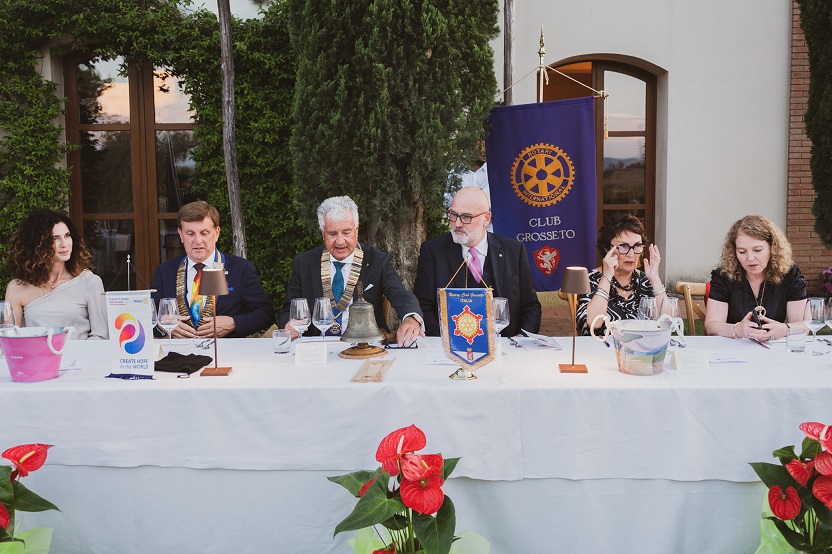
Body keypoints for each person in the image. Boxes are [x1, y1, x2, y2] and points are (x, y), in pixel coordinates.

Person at [278, 196, 425, 346]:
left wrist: (411, 318)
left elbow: (400, 294)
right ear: (323, 234)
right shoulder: (304, 263)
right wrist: (288, 325)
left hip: (365, 347)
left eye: (346, 232)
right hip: (317, 346)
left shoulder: (377, 261)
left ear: (356, 230)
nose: (340, 241)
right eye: (332, 234)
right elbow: (288, 309)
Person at [414, 186, 541, 337]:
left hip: (505, 344)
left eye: (466, 217)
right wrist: (444, 342)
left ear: (486, 218)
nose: (457, 223)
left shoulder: (513, 251)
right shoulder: (433, 251)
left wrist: (520, 339)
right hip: (450, 345)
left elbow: (531, 306)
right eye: (453, 215)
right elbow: (423, 305)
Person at [151, 201, 274, 338]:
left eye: (204, 233)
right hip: (179, 350)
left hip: (226, 350)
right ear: (180, 234)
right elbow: (148, 317)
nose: (198, 241)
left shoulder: (241, 269)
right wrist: (162, 326)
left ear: (216, 233)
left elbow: (266, 313)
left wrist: (233, 323)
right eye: (190, 234)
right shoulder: (165, 271)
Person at [5, 209, 108, 339]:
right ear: (38, 244)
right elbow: (9, 339)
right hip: (35, 352)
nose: (64, 244)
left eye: (67, 235)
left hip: (80, 352)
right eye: (55, 238)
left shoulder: (90, 282)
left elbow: (101, 336)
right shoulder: (17, 288)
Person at [705, 214, 807, 341]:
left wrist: (784, 329)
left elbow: (803, 325)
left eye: (757, 250)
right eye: (742, 251)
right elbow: (711, 325)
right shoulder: (724, 276)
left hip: (775, 350)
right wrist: (736, 330)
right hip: (734, 348)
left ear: (773, 248)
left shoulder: (790, 274)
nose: (750, 258)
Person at [576, 213, 666, 335]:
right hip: (601, 345)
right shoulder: (590, 279)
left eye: (637, 246)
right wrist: (607, 277)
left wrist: (655, 279)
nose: (631, 254)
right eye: (623, 246)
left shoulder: (645, 280)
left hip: (642, 346)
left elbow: (669, 322)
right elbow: (594, 323)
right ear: (607, 248)